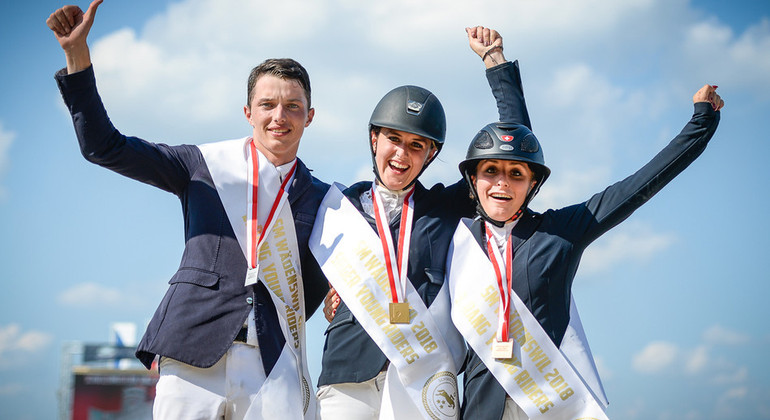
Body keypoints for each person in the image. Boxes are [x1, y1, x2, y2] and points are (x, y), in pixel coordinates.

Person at [47, 1, 329, 418]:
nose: (279, 116)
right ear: (248, 113)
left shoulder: (324, 198)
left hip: (274, 360)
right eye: (267, 105)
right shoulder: (202, 165)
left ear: (310, 117)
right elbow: (104, 146)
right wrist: (76, 55)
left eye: (292, 107)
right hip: (193, 348)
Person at [447, 82, 723, 419]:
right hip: (480, 409)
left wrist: (701, 124)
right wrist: (496, 66)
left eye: (516, 173)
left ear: (533, 184)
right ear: (473, 179)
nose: (503, 182)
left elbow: (638, 187)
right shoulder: (455, 237)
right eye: (491, 171)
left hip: (552, 406)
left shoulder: (560, 231)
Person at [309, 27, 530, 420]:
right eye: (394, 138)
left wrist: (495, 63)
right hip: (347, 374)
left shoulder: (447, 207)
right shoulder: (336, 204)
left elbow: (519, 149)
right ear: (374, 138)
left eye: (416, 146)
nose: (401, 154)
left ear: (430, 155)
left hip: (423, 378)